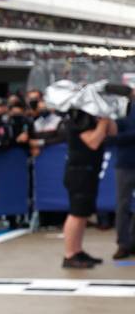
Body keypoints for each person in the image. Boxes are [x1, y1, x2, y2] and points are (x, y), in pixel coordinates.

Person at [61, 109, 116, 268]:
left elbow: (113, 132)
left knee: (83, 213)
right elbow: (93, 142)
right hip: (79, 172)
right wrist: (103, 123)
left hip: (90, 171)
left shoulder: (92, 117)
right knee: (76, 213)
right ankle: (70, 254)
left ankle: (78, 251)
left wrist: (107, 118)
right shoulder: (77, 117)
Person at [110, 100, 135, 260]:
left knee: (123, 205)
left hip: (125, 160)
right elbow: (112, 131)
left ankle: (131, 242)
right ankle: (123, 244)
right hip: (125, 163)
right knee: (123, 205)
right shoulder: (122, 105)